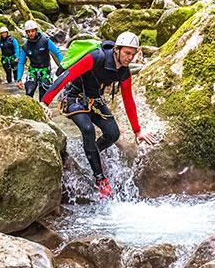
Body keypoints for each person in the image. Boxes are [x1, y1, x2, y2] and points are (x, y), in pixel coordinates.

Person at [41, 31, 156, 198]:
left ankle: (91, 153)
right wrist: (45, 101)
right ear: (117, 49)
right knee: (88, 129)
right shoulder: (96, 57)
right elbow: (67, 76)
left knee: (113, 133)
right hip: (73, 97)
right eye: (127, 53)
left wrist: (137, 131)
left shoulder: (124, 72)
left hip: (95, 100)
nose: (130, 58)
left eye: (133, 54)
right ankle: (101, 179)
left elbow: (128, 100)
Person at [16, 20, 63, 101]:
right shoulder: (25, 46)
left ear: (36, 30)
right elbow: (21, 63)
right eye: (28, 32)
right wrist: (19, 79)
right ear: (26, 32)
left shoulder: (46, 41)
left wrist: (64, 67)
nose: (30, 33)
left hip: (45, 70)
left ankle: (43, 111)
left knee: (43, 97)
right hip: (33, 70)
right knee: (29, 91)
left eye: (33, 31)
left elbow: (58, 53)